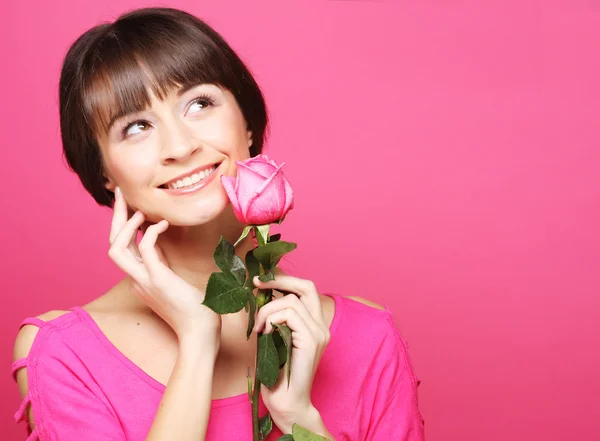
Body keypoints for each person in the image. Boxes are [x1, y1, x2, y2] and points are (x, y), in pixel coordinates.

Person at [11, 7, 425, 441]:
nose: (180, 146)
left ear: (247, 122)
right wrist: (197, 340)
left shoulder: (367, 338)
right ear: (104, 174)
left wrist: (303, 421)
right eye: (136, 127)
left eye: (199, 103)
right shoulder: (65, 355)